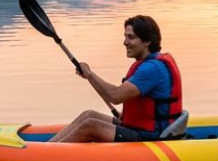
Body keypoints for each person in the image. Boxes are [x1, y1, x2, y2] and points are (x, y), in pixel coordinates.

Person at [47, 15, 183, 142]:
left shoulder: (152, 69)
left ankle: (45, 157)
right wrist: (90, 76)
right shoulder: (148, 64)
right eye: (125, 37)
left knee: (90, 125)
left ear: (147, 41)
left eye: (131, 37)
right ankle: (44, 148)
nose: (125, 42)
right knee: (88, 115)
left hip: (151, 137)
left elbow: (115, 96)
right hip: (138, 128)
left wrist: (90, 74)